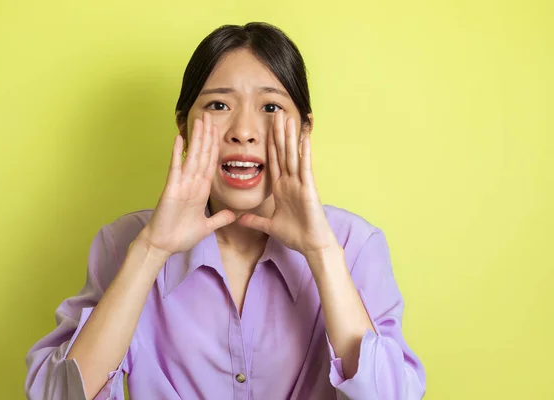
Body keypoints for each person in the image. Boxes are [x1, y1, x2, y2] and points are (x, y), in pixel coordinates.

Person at [25, 22, 426, 400]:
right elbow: (57, 393)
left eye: (270, 107)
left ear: (304, 129)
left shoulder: (354, 245)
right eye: (219, 104)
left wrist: (322, 254)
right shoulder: (124, 244)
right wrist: (150, 252)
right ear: (183, 126)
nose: (243, 131)